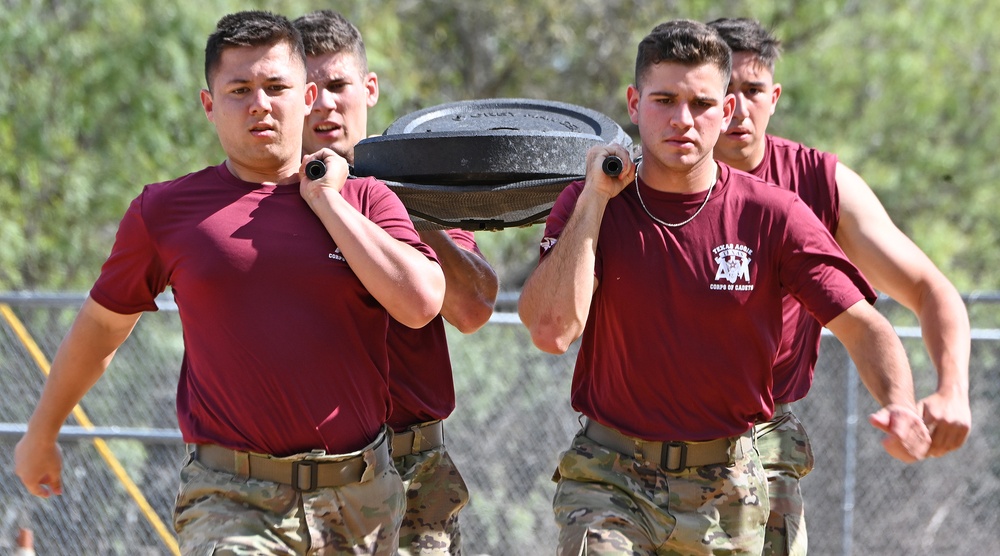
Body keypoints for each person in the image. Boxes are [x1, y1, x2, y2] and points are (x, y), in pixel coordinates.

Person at [14, 10, 446, 555]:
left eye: (276, 87)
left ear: (307, 96)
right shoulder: (165, 212)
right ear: (209, 104)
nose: (260, 104)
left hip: (362, 501)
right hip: (233, 500)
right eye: (239, 89)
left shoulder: (367, 200)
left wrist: (325, 201)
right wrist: (43, 430)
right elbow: (101, 327)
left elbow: (420, 303)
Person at [518, 19, 932, 555]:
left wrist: (900, 404)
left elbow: (861, 325)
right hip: (610, 477)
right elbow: (551, 331)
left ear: (727, 112)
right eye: (663, 100)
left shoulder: (773, 214)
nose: (682, 120)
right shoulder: (588, 205)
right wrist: (596, 201)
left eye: (702, 103)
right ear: (633, 103)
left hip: (729, 488)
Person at [707, 17, 972, 555]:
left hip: (760, 438)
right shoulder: (654, 179)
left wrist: (951, 389)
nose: (738, 108)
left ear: (774, 97)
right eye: (723, 92)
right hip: (644, 436)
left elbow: (928, 289)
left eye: (753, 91)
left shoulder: (817, 183)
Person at [294, 10, 499, 555]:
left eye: (338, 85)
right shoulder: (263, 202)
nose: (324, 103)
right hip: (297, 476)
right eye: (308, 89)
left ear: (369, 88)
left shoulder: (415, 192)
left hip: (414, 470)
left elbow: (472, 308)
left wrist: (406, 210)